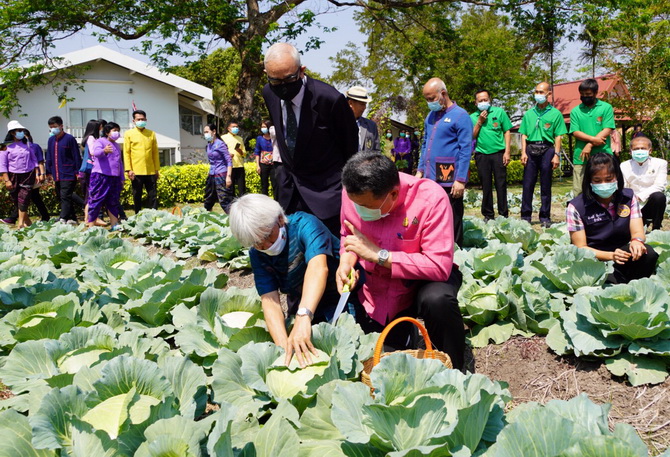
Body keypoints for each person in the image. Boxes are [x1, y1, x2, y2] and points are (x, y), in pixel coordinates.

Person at [337, 152, 465, 370]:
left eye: (366, 207)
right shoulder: (354, 193)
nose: (359, 210)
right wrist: (346, 261)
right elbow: (348, 234)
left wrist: (380, 255)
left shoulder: (431, 199)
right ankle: (407, 334)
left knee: (438, 300)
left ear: (394, 194)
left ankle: (454, 369)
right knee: (385, 356)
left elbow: (439, 266)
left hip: (420, 283)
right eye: (356, 205)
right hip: (378, 290)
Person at [229, 193, 344, 367]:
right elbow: (270, 301)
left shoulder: (305, 225)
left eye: (268, 236)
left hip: (339, 297)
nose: (265, 246)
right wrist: (283, 349)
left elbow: (318, 268)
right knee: (299, 347)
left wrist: (303, 316)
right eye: (257, 243)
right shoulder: (257, 255)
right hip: (303, 301)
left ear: (280, 219)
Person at [262, 42, 358, 235]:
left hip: (326, 196)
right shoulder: (269, 93)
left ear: (302, 70)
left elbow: (350, 146)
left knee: (327, 249)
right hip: (289, 194)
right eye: (276, 81)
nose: (283, 87)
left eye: (289, 79)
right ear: (267, 74)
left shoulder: (329, 99)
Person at [566, 152, 658, 284]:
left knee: (648, 254)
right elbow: (580, 247)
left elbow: (638, 232)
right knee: (611, 285)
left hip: (623, 253)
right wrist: (611, 256)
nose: (603, 184)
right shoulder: (576, 206)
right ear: (589, 181)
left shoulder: (628, 197)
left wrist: (637, 241)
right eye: (597, 180)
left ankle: (635, 283)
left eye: (609, 179)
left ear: (617, 177)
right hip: (594, 261)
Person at [416, 78, 472, 247]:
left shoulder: (461, 116)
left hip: (450, 178)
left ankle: (455, 251)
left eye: (432, 98)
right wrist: (420, 170)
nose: (429, 102)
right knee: (433, 216)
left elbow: (465, 149)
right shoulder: (430, 116)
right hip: (430, 177)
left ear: (443, 93)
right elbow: (425, 144)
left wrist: (460, 179)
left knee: (452, 216)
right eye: (426, 99)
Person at [519, 82, 568, 227]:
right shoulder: (529, 114)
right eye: (536, 92)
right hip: (531, 148)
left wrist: (556, 155)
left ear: (549, 94)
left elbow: (558, 136)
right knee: (528, 184)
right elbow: (523, 134)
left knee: (546, 185)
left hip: (547, 149)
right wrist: (523, 152)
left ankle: (545, 216)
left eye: (541, 92)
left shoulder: (555, 114)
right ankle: (525, 216)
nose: (538, 95)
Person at [569, 78, 615, 196]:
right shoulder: (575, 111)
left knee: (604, 188)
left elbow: (607, 129)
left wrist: (589, 145)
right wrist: (593, 140)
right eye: (582, 94)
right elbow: (575, 132)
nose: (585, 97)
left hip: (603, 154)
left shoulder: (606, 107)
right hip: (581, 156)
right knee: (579, 190)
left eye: (588, 94)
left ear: (595, 93)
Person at [471, 89, 512, 220]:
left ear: (490, 100)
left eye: (485, 100)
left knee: (501, 184)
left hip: (499, 153)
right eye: (480, 100)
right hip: (482, 154)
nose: (483, 102)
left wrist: (507, 152)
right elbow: (471, 136)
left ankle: (503, 214)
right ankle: (488, 214)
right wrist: (479, 121)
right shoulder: (472, 117)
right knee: (486, 185)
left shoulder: (499, 112)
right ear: (475, 103)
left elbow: (507, 131)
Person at [2, 128, 50, 224]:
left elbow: (36, 161)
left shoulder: (30, 146)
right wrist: (7, 180)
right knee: (18, 200)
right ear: (12, 133)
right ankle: (27, 222)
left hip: (28, 175)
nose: (21, 134)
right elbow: (3, 164)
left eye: (22, 132)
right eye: (19, 131)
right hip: (13, 175)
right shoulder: (6, 147)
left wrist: (39, 173)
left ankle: (20, 223)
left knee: (25, 198)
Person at [620, 135, 667, 231]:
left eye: (643, 148)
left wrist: (640, 196)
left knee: (659, 197)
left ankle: (656, 227)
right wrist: (632, 198)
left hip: (650, 202)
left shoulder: (660, 163)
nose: (640, 151)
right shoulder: (624, 165)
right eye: (636, 149)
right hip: (632, 204)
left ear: (650, 150)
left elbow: (659, 185)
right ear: (630, 151)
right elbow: (623, 186)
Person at [46, 116, 84, 223]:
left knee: (65, 196)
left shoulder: (69, 139)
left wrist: (77, 171)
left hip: (68, 173)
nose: (53, 129)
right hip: (57, 173)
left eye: (55, 126)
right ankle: (72, 218)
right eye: (51, 127)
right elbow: (49, 156)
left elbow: (76, 156)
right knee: (61, 195)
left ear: (61, 126)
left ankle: (63, 217)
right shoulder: (51, 140)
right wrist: (48, 172)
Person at [88, 122, 124, 229]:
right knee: (96, 200)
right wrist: (104, 150)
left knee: (113, 201)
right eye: (114, 130)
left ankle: (114, 224)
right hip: (100, 176)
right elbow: (95, 153)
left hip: (114, 177)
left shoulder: (117, 145)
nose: (117, 133)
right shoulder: (100, 141)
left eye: (118, 130)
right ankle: (91, 226)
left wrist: (121, 177)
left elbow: (119, 163)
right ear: (107, 132)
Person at [123, 110, 159, 214]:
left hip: (150, 170)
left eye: (142, 119)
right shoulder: (129, 134)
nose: (140, 121)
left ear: (146, 120)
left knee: (152, 195)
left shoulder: (151, 133)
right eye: (138, 119)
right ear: (134, 121)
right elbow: (126, 152)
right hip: (136, 171)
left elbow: (155, 152)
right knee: (137, 195)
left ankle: (154, 215)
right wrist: (129, 169)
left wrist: (157, 169)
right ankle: (138, 215)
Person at [79, 119, 105, 225]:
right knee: (92, 195)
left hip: (89, 170)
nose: (101, 129)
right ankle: (89, 218)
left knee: (90, 195)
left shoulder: (91, 138)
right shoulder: (91, 138)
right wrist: (104, 150)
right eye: (99, 127)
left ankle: (89, 218)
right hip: (89, 170)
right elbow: (93, 152)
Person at [203, 123, 233, 213]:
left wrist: (228, 176)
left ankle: (233, 217)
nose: (205, 134)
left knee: (224, 199)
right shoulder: (209, 145)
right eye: (204, 132)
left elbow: (229, 161)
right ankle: (207, 216)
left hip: (221, 174)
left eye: (207, 132)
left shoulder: (220, 144)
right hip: (212, 174)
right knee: (208, 199)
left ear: (214, 131)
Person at [345, 86, 380, 154]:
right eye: (362, 104)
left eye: (365, 104)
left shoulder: (371, 126)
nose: (364, 107)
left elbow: (376, 151)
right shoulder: (337, 123)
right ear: (350, 103)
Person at [222, 121, 246, 197]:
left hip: (239, 165)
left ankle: (242, 201)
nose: (235, 128)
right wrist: (227, 155)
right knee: (230, 187)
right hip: (229, 166)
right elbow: (220, 151)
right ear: (228, 128)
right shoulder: (223, 138)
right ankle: (231, 201)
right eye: (233, 127)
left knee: (241, 187)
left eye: (236, 127)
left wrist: (240, 151)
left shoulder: (240, 138)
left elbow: (244, 153)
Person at [254, 120, 274, 196]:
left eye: (264, 127)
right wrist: (258, 165)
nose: (263, 128)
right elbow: (257, 152)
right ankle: (265, 199)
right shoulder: (259, 138)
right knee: (264, 184)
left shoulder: (274, 137)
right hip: (263, 164)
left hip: (273, 164)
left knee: (275, 183)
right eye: (262, 127)